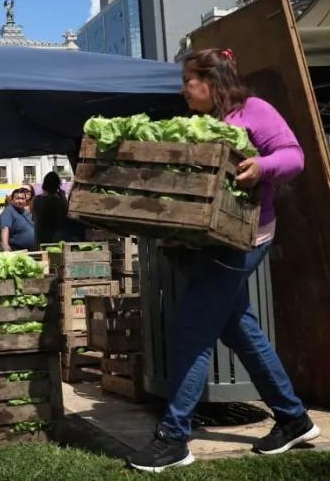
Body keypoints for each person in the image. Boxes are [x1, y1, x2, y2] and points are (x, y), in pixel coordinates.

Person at [129, 48, 316, 472]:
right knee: (238, 327)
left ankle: (174, 438)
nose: (182, 90)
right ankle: (293, 418)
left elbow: (294, 157)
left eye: (188, 81)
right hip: (206, 241)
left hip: (244, 237)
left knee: (192, 329)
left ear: (211, 80)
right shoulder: (202, 122)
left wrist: (262, 167)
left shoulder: (255, 110)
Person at [33, 172, 68, 247]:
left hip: (39, 239)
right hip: (53, 240)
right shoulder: (56, 201)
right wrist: (63, 197)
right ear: (57, 185)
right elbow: (64, 214)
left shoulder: (36, 199)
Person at [0, 187, 35, 251]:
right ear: (12, 200)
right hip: (17, 250)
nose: (20, 201)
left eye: (22, 199)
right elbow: (5, 228)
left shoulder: (25, 212)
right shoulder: (9, 211)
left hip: (31, 250)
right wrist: (5, 245)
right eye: (17, 198)